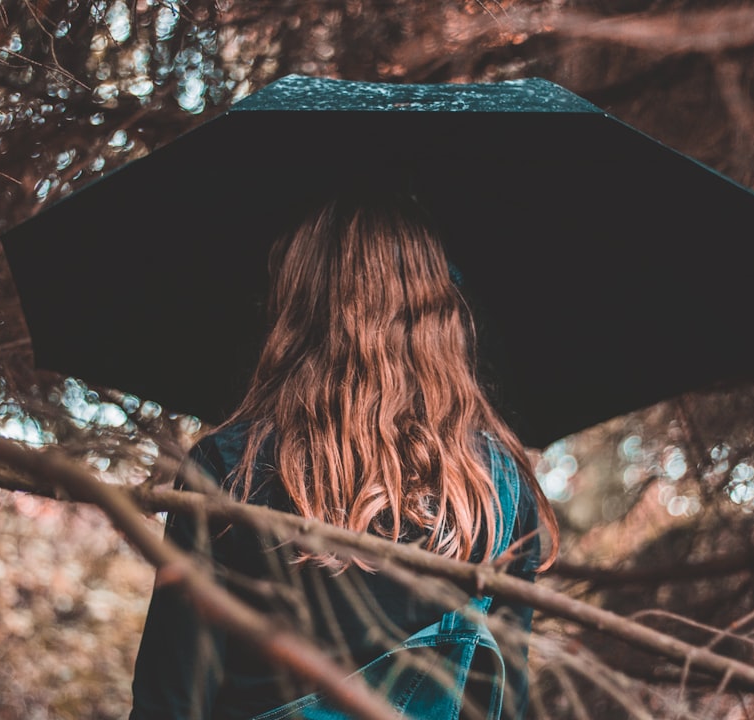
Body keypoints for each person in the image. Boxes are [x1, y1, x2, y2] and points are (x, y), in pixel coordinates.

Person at [130, 190, 559, 720]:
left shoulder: (231, 467)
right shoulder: (501, 490)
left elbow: (169, 702)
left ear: (300, 307)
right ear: (440, 314)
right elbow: (503, 700)